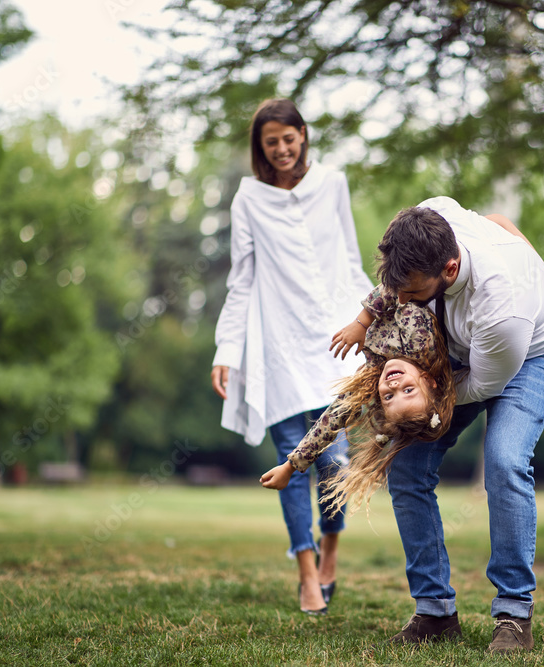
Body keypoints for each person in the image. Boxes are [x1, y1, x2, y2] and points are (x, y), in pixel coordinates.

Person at [375, 197, 544, 654]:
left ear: (449, 267)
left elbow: (482, 385)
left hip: (527, 359)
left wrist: (421, 391)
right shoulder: (430, 221)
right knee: (405, 465)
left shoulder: (501, 305)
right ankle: (435, 612)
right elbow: (501, 221)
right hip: (458, 355)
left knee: (504, 461)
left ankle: (514, 613)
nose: (401, 299)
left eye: (411, 289)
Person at [210, 98, 373, 616]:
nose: (281, 149)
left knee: (333, 460)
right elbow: (242, 279)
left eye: (288, 138)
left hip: (332, 342)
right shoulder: (248, 199)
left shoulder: (333, 184)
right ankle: (305, 572)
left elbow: (350, 259)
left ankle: (330, 551)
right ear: (260, 149)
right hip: (275, 341)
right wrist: (227, 350)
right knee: (289, 458)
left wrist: (374, 323)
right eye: (270, 143)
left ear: (303, 135)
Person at [259, 284, 455, 517]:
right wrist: (361, 323)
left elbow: (331, 421)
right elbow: (400, 285)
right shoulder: (420, 344)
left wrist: (290, 467)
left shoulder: (372, 377)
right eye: (409, 390)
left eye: (389, 397)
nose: (394, 386)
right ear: (427, 380)